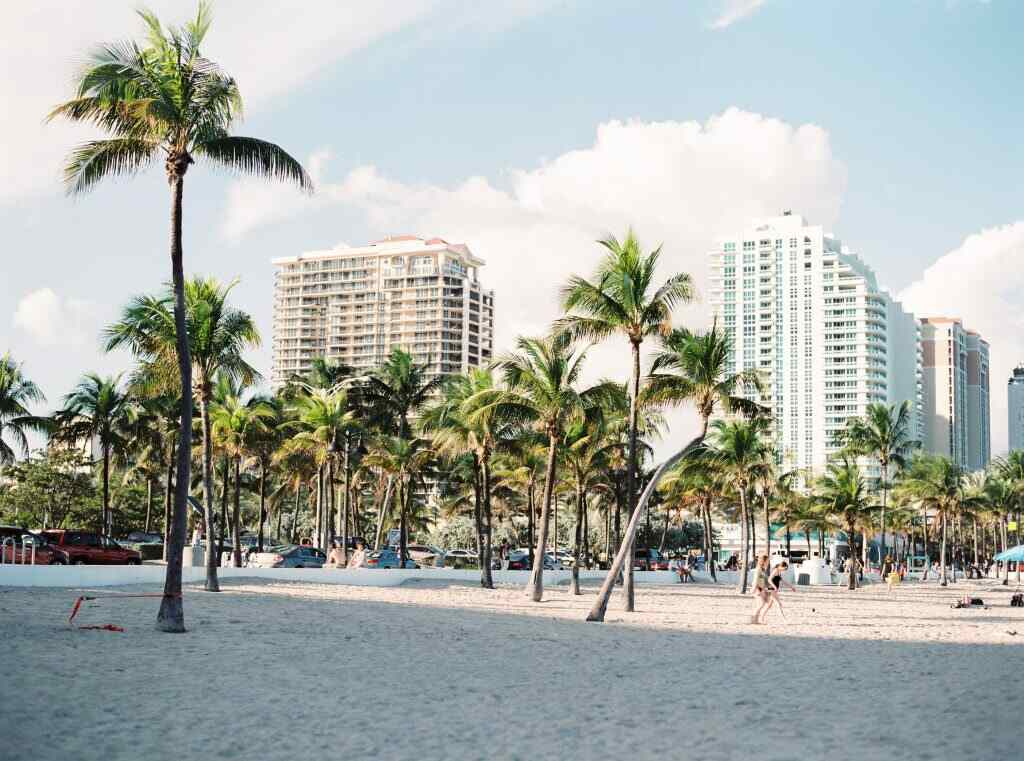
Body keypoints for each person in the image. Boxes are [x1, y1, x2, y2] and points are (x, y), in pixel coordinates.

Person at [751, 555, 772, 624]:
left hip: (761, 588)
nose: (768, 562)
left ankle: (756, 619)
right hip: (757, 588)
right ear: (764, 561)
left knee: (763, 603)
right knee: (761, 604)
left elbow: (763, 580)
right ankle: (753, 619)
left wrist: (768, 588)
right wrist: (754, 588)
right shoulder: (759, 569)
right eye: (767, 561)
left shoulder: (763, 569)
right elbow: (756, 579)